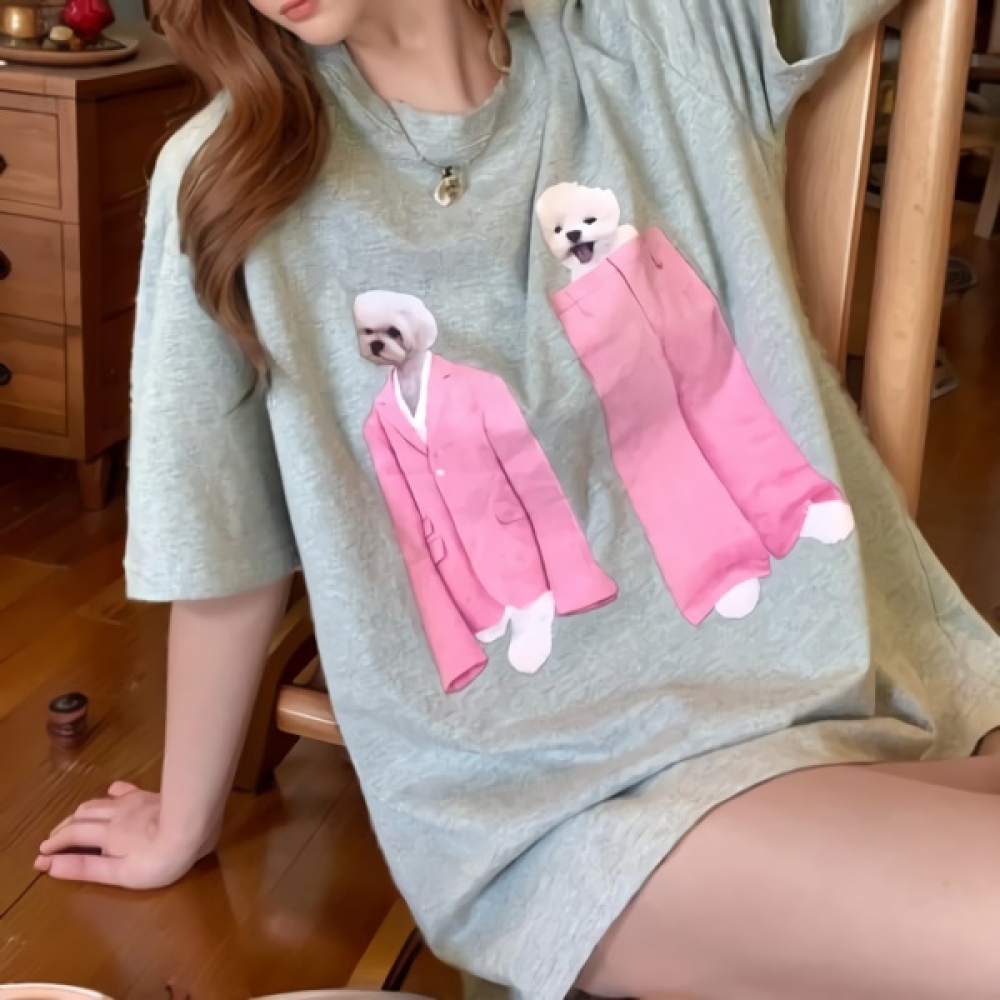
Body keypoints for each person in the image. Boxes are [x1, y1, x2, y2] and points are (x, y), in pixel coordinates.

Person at [34, 1, 1000, 998]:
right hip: (565, 806)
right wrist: (182, 818)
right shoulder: (228, 178)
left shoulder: (659, 38)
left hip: (880, 699)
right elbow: (221, 539)